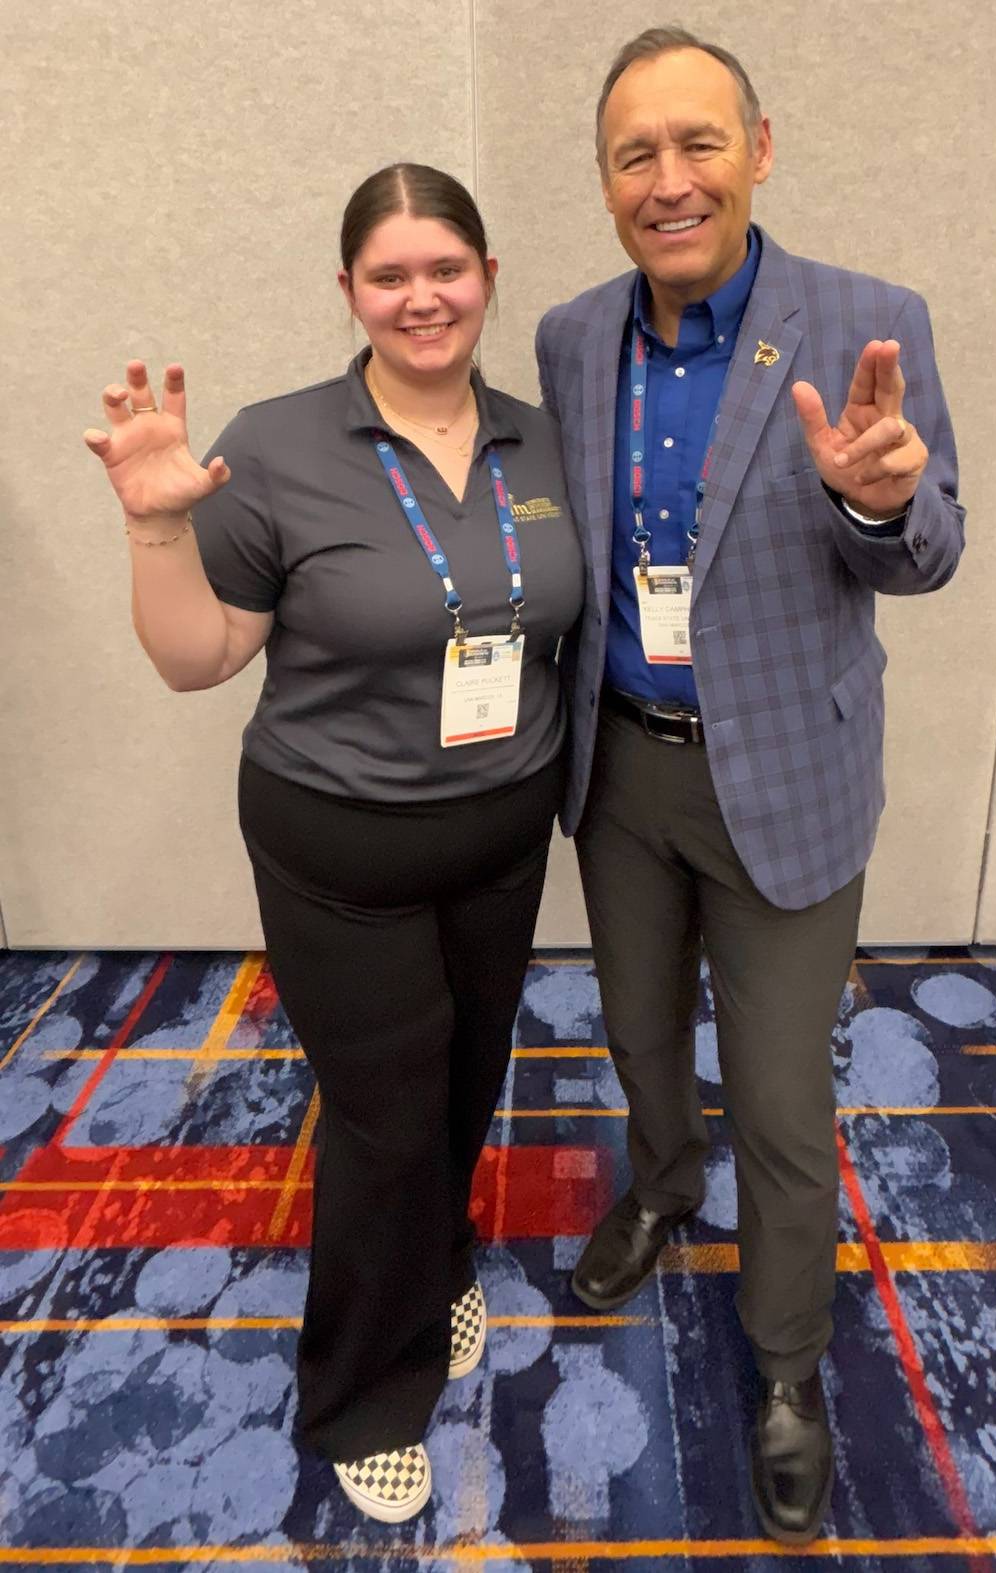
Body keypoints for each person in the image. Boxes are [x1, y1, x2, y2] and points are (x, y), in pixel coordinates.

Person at [84, 164, 583, 1523]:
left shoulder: (542, 442)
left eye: (448, 268)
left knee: (472, 1071)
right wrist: (155, 518)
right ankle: (365, 1387)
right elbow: (199, 657)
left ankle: (442, 1256)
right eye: (389, 274)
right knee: (384, 1112)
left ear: (486, 275)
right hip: (337, 842)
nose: (423, 296)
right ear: (350, 292)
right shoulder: (283, 443)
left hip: (501, 834)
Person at [535, 28, 966, 1546]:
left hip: (786, 781)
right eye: (635, 154)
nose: (671, 180)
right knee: (643, 1033)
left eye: (698, 143)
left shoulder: (865, 321)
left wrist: (882, 502)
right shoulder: (575, 338)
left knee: (784, 1103)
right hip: (624, 776)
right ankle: (660, 1184)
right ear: (603, 183)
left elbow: (930, 547)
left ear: (760, 150)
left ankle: (788, 1363)